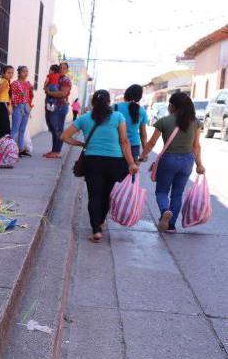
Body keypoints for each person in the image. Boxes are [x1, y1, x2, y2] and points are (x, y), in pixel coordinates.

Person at [61, 89, 137, 242]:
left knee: (94, 195)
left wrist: (81, 143)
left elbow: (64, 136)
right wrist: (131, 163)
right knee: (106, 194)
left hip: (92, 161)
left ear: (92, 103)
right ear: (109, 102)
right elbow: (124, 142)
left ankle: (96, 229)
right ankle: (100, 221)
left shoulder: (84, 118)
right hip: (114, 161)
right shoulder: (118, 117)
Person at [140, 92, 205, 233]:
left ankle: (165, 211)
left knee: (162, 191)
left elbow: (151, 143)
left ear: (172, 106)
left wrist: (140, 158)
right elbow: (196, 146)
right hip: (188, 161)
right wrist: (199, 164)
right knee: (177, 193)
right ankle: (171, 226)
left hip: (168, 160)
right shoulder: (196, 122)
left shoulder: (164, 121)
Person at [44, 62, 73, 158]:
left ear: (67, 70)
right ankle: (54, 150)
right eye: (60, 67)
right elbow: (45, 88)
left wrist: (50, 92)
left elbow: (63, 93)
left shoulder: (66, 80)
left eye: (64, 68)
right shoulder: (55, 77)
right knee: (52, 129)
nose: (61, 69)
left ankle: (57, 152)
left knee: (58, 129)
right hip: (51, 106)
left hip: (60, 107)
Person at [114, 84, 149, 162]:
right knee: (130, 171)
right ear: (139, 97)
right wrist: (145, 152)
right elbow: (143, 134)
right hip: (134, 145)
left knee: (114, 172)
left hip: (116, 144)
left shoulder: (114, 107)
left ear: (126, 94)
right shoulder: (142, 111)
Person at [10, 65, 34, 156]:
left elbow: (30, 96)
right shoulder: (14, 84)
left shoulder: (28, 84)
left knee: (22, 130)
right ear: (19, 73)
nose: (26, 73)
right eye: (24, 71)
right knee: (15, 129)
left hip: (26, 107)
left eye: (27, 71)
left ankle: (20, 149)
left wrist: (31, 91)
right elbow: (12, 96)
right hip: (18, 106)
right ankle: (11, 150)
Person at [0, 65, 14, 139]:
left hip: (2, 105)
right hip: (1, 105)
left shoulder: (5, 81)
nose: (10, 75)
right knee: (5, 129)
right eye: (8, 73)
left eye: (12, 73)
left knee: (2, 128)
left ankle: (2, 146)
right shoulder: (4, 82)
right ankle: (3, 147)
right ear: (3, 73)